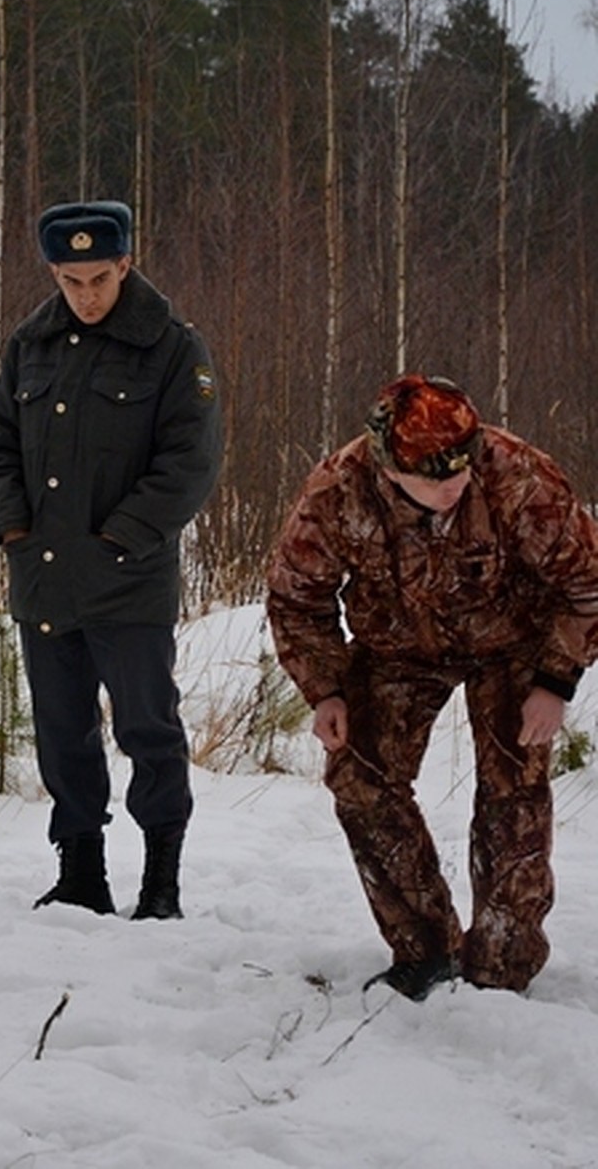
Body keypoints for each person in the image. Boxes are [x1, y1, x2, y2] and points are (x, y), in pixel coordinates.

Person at [266, 374, 598, 999]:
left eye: (461, 471)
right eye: (432, 477)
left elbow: (587, 587)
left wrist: (555, 679)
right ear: (391, 467)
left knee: (513, 783)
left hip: (513, 641)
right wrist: (327, 690)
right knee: (359, 777)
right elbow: (295, 599)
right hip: (398, 646)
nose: (452, 486)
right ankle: (425, 951)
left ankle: (501, 968)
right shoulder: (339, 490)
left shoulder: (518, 477)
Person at [0, 200, 223, 919]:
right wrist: (12, 526)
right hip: (45, 578)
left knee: (148, 727)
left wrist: (122, 537)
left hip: (129, 579)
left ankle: (161, 879)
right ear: (53, 272)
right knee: (62, 730)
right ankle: (81, 872)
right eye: (70, 279)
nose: (85, 295)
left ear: (125, 264)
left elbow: (192, 460)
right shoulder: (32, 343)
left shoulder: (172, 346)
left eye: (98, 278)